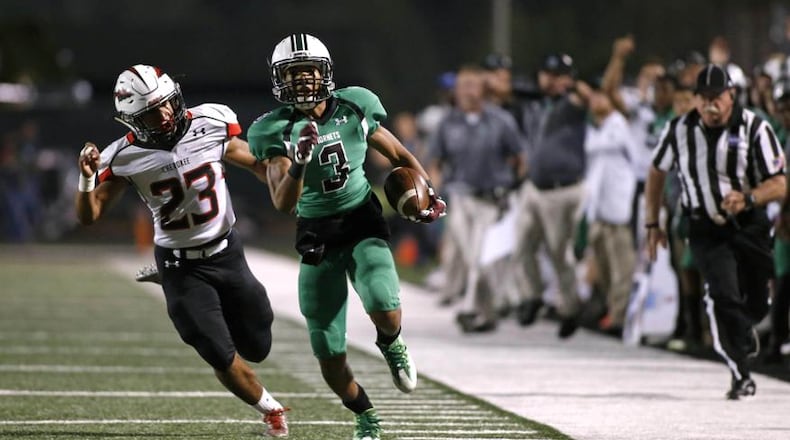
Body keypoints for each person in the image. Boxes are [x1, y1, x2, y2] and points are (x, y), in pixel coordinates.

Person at [247, 34, 446, 440]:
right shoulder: (273, 129)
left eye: (309, 74)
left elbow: (399, 155)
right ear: (279, 80)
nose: (303, 83)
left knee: (383, 301)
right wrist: (299, 162)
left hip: (360, 218)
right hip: (317, 233)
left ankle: (391, 344)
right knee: (327, 350)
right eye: (293, 75)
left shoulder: (354, 104)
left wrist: (427, 194)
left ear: (325, 74)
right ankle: (364, 413)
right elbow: (284, 202)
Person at [75, 64, 289, 436]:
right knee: (217, 351)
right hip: (179, 264)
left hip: (227, 250)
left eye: (166, 103)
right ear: (131, 120)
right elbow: (90, 214)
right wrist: (87, 176)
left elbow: (257, 164)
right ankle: (270, 409)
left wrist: (284, 173)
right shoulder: (123, 157)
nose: (165, 114)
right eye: (151, 112)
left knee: (259, 344)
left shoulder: (211, 121)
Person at [645, 64, 786, 400]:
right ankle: (741, 374)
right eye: (705, 98)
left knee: (757, 302)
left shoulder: (755, 127)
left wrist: (749, 197)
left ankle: (744, 326)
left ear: (731, 96)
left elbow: (780, 183)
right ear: (695, 100)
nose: (712, 105)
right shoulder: (678, 129)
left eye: (718, 98)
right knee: (722, 296)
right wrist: (652, 221)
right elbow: (655, 170)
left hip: (750, 224)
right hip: (705, 227)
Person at [428, 64, 525, 333]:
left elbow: (519, 157)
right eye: (463, 85)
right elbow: (435, 161)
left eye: (473, 84)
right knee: (473, 257)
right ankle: (488, 309)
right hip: (460, 196)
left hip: (492, 199)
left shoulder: (500, 120)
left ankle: (473, 309)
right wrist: (430, 194)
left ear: (484, 88)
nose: (468, 90)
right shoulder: (448, 122)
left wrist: (515, 187)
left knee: (481, 255)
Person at [511, 52, 588, 338]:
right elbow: (510, 90)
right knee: (521, 245)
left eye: (558, 75)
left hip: (562, 189)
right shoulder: (536, 103)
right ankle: (532, 297)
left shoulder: (572, 103)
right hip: (534, 187)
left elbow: (590, 98)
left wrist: (572, 84)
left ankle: (570, 307)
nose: (551, 80)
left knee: (559, 252)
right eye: (548, 74)